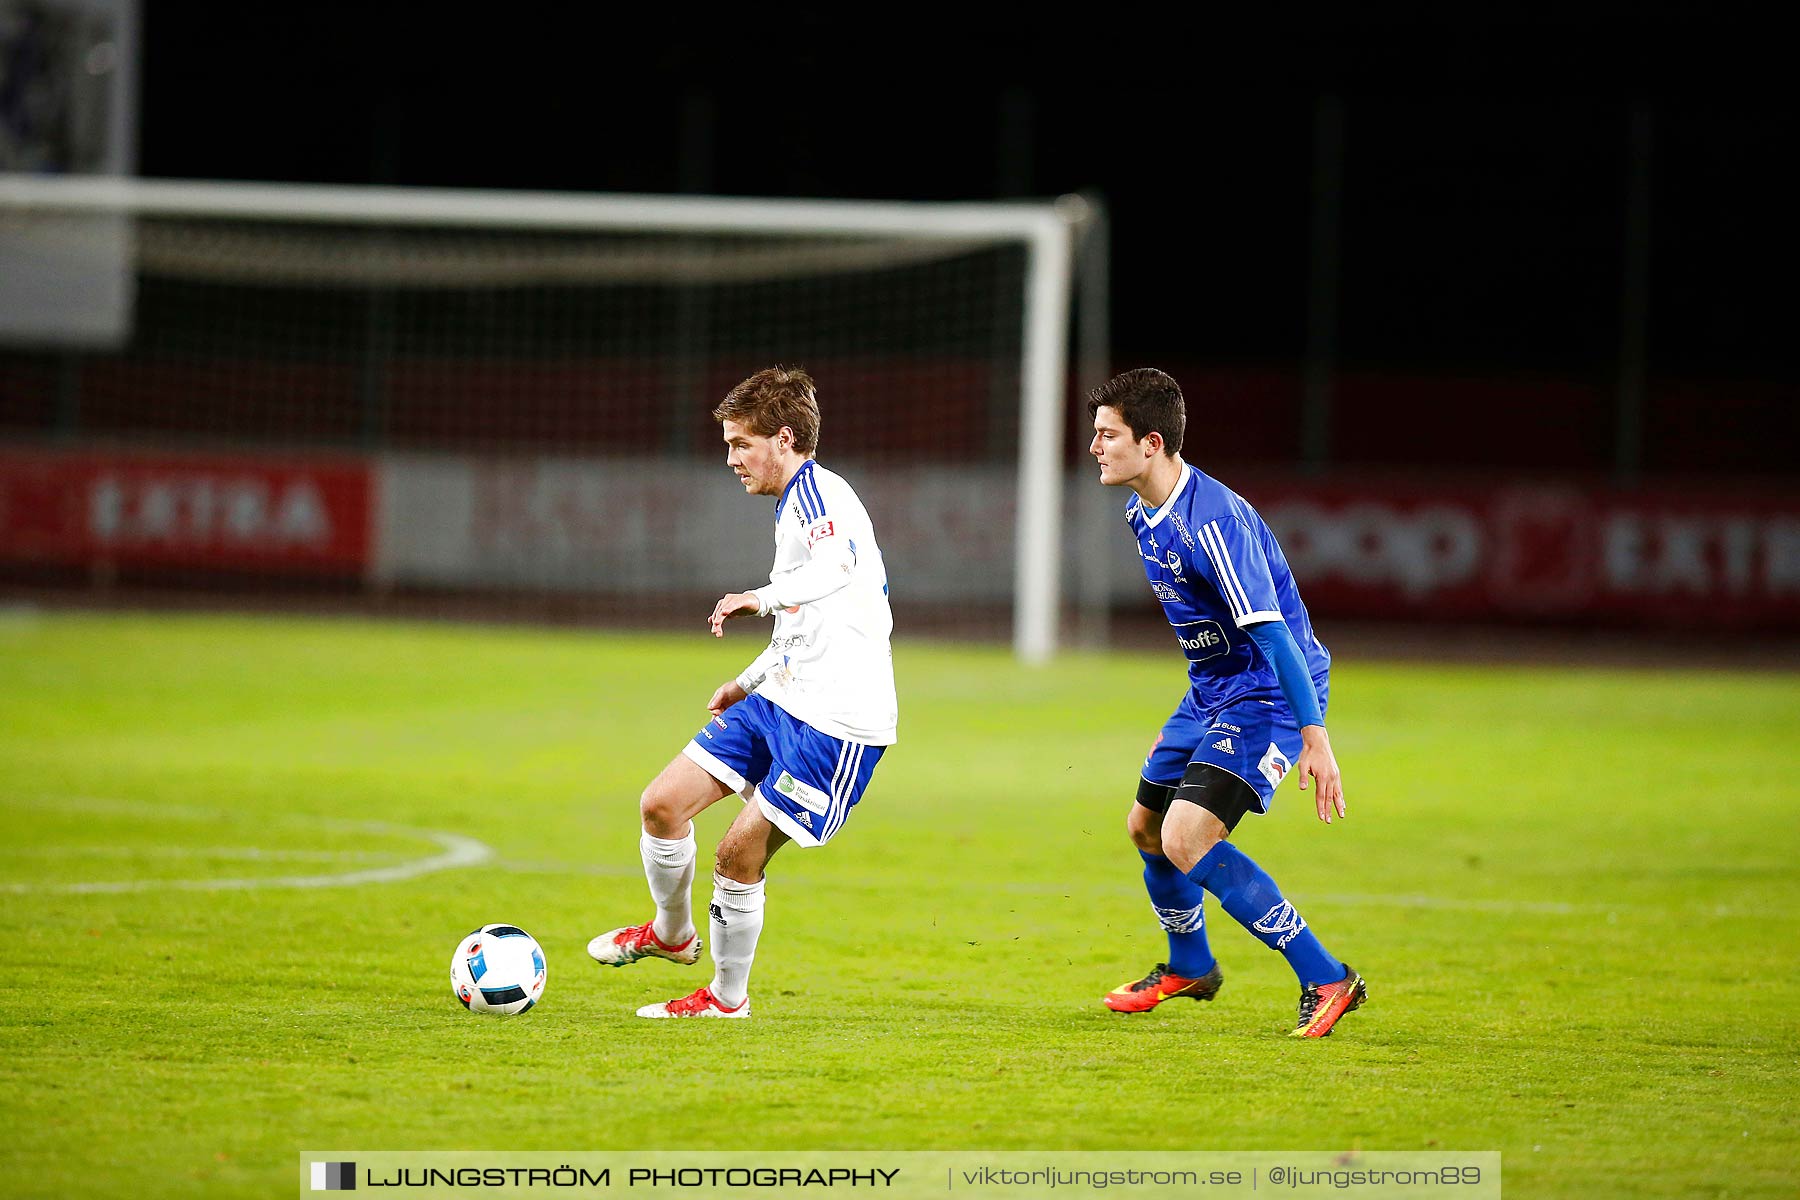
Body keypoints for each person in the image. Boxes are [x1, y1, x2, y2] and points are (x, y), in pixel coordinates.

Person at [588, 366, 897, 1018]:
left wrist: (758, 597)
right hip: (782, 697)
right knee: (662, 805)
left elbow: (834, 569)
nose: (731, 459)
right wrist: (747, 681)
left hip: (837, 725)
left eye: (741, 443)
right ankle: (671, 936)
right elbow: (806, 625)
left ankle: (726, 1001)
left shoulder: (818, 497)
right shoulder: (796, 505)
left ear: (784, 439)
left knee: (736, 853)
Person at [1088, 368, 1366, 1038]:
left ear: (1151, 443)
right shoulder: (1141, 511)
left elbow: (1274, 636)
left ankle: (1328, 976)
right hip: (1210, 692)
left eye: (1108, 435)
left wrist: (1314, 735)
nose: (1095, 447)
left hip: (1267, 695)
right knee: (1145, 828)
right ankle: (1191, 964)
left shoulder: (1211, 524)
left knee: (1187, 837)